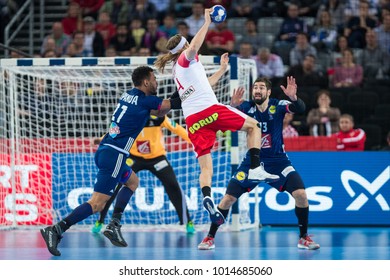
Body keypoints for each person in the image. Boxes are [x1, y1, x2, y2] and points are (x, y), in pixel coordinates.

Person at [154, 8, 279, 226]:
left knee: (206, 167)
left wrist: (222, 69)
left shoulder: (179, 71)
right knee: (254, 126)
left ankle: (207, 197)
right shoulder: (185, 59)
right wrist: (206, 22)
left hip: (193, 120)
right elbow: (194, 47)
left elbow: (206, 84)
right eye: (187, 44)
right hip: (210, 110)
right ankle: (256, 168)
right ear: (183, 47)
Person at [40, 66, 182, 256]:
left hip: (106, 150)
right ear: (146, 82)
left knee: (132, 182)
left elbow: (160, 111)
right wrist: (192, 89)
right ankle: (57, 229)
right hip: (115, 155)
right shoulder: (145, 100)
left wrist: (181, 90)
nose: (157, 82)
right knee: (97, 203)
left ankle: (114, 224)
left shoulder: (127, 95)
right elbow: (171, 105)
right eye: (154, 79)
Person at [198, 76, 320, 251]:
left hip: (278, 162)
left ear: (268, 92)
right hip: (252, 163)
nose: (257, 90)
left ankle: (303, 237)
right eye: (255, 87)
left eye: (261, 88)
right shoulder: (246, 107)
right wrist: (232, 107)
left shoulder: (277, 105)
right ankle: (210, 237)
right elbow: (224, 119)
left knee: (301, 194)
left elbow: (300, 108)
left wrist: (293, 98)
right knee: (227, 199)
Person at [91, 114, 195, 234]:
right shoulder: (130, 116)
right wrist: (103, 139)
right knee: (114, 185)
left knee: (173, 185)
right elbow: (117, 131)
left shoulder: (159, 117)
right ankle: (100, 220)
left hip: (157, 158)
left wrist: (194, 141)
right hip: (134, 158)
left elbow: (177, 128)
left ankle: (188, 221)